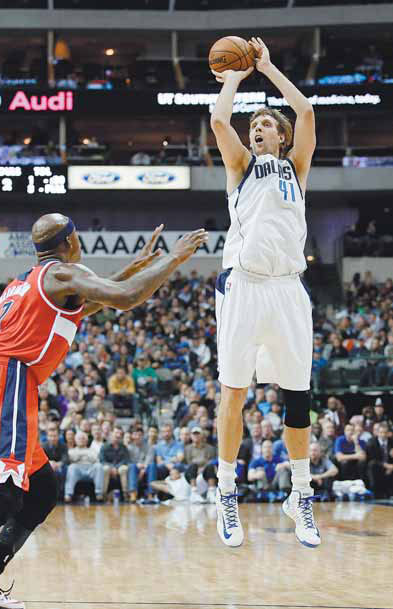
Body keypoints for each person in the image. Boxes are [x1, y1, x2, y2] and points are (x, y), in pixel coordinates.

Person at [0, 213, 207, 607]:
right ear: (71, 240)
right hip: (10, 381)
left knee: (41, 491)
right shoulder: (60, 275)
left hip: (9, 380)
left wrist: (135, 266)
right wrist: (174, 258)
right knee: (5, 494)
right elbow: (124, 299)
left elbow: (87, 305)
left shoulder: (26, 282)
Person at [211, 36, 319, 547]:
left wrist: (268, 67)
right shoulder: (241, 168)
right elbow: (217, 121)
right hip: (245, 284)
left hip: (289, 289)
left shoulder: (297, 168)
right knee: (234, 392)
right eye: (252, 126)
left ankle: (302, 494)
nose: (257, 130)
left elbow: (304, 107)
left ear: (282, 136)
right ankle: (226, 493)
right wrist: (233, 78)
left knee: (298, 396)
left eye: (266, 126)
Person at [64, 431, 105, 502]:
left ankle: (99, 493)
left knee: (99, 466)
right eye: (79, 439)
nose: (81, 440)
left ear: (87, 440)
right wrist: (86, 456)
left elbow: (95, 459)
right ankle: (68, 494)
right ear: (75, 440)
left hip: (91, 469)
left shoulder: (92, 450)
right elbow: (72, 459)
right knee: (72, 467)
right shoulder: (71, 451)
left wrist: (80, 456)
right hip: (77, 470)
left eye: (83, 438)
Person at [100, 426, 130, 500]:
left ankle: (125, 494)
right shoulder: (104, 446)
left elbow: (125, 460)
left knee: (124, 469)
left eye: (120, 433)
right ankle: (103, 495)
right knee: (105, 469)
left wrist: (116, 468)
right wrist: (112, 467)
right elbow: (102, 460)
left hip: (120, 467)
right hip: (108, 467)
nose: (118, 435)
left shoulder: (123, 447)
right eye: (116, 433)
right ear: (111, 434)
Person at [366, 422, 393, 498]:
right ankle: (375, 492)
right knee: (372, 465)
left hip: (391, 466)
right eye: (381, 432)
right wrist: (386, 466)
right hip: (379, 466)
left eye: (385, 433)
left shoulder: (391, 441)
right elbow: (371, 459)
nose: (383, 435)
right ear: (377, 433)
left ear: (388, 433)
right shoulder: (371, 442)